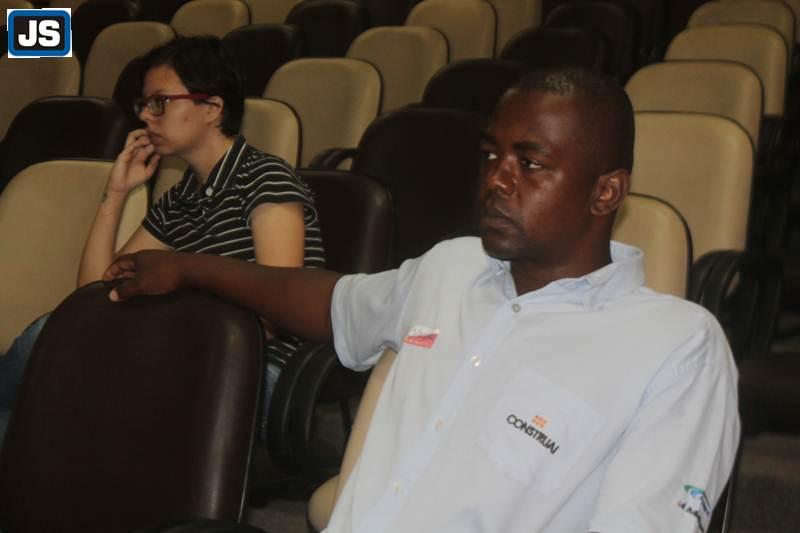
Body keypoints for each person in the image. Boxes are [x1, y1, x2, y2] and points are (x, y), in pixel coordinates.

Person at [104, 68, 740, 533]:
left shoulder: (676, 346)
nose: (496, 179)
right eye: (491, 155)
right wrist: (187, 267)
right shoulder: (454, 266)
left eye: (530, 163)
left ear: (606, 193)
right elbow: (328, 302)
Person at [0, 36, 323, 446]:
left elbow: (278, 306)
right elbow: (94, 293)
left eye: (160, 102)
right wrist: (116, 193)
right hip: (179, 357)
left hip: (251, 373)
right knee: (39, 396)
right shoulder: (180, 198)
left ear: (212, 107)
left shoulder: (265, 177)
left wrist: (154, 339)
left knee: (51, 360)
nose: (145, 116)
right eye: (143, 105)